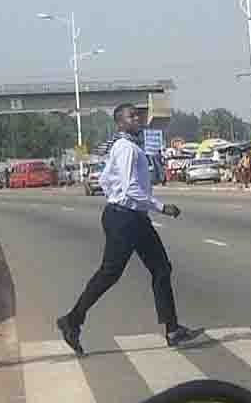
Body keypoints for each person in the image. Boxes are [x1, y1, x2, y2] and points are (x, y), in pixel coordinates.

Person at [57, 104, 203, 356]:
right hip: (124, 218)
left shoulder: (129, 146)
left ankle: (172, 329)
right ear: (119, 123)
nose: (136, 119)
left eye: (137, 115)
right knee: (110, 273)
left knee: (161, 268)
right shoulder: (125, 148)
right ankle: (72, 320)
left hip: (134, 217)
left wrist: (125, 198)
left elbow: (105, 180)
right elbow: (129, 189)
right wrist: (160, 207)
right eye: (130, 116)